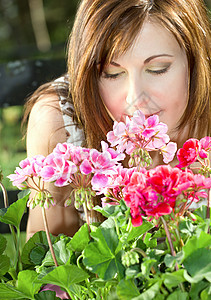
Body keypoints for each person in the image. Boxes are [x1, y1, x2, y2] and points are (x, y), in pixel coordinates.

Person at [23, 0, 211, 239]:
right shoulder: (60, 122)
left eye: (158, 69)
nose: (135, 98)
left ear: (196, 62)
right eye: (112, 74)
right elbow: (48, 267)